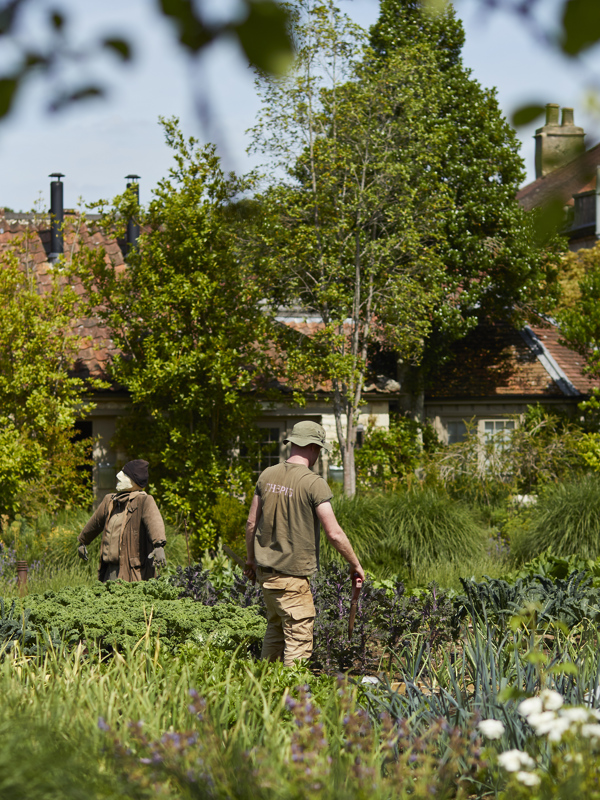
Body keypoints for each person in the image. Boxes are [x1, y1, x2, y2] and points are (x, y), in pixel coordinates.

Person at [244, 420, 365, 666]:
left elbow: (250, 524)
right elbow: (334, 534)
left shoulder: (267, 475)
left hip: (267, 577)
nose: (319, 454)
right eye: (319, 449)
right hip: (293, 579)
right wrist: (354, 564)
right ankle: (293, 700)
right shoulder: (313, 482)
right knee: (298, 644)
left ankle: (263, 694)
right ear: (312, 446)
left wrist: (250, 561)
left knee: (275, 632)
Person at [77, 459, 167, 582]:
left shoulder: (144, 501)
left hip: (134, 573)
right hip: (110, 571)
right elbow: (95, 523)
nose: (118, 475)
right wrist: (83, 541)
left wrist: (159, 545)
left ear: (135, 481)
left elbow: (154, 522)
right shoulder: (110, 501)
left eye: (125, 474)